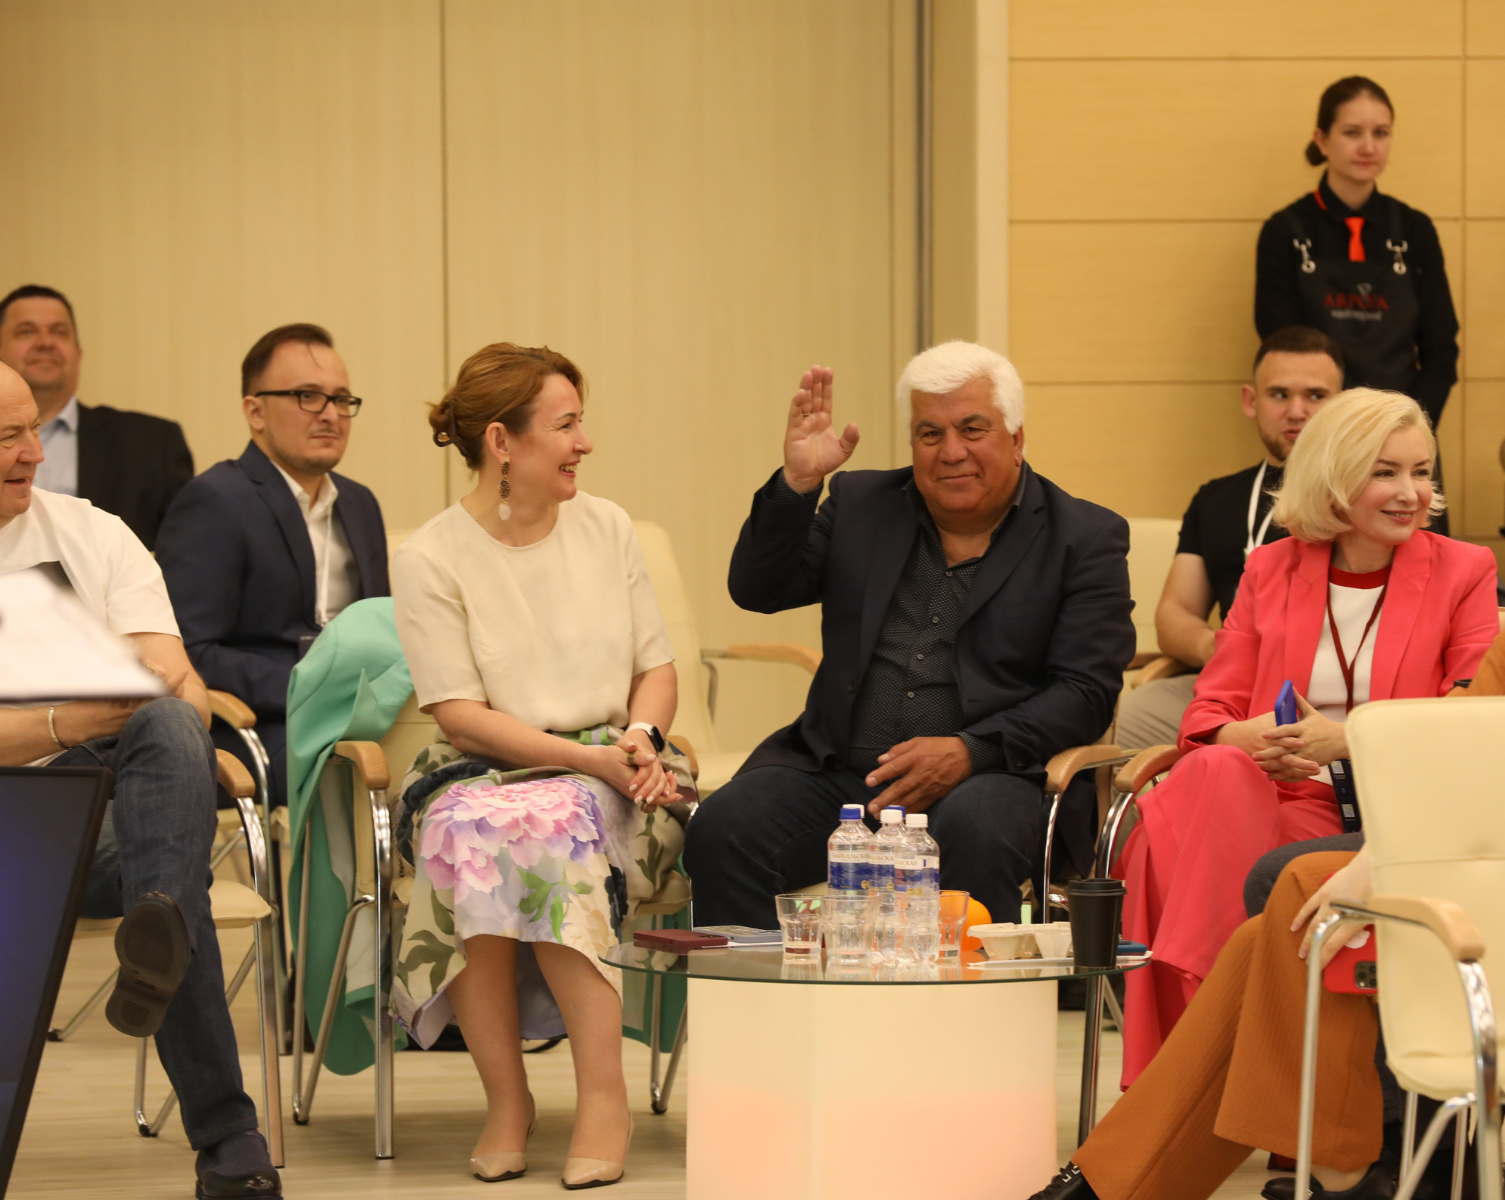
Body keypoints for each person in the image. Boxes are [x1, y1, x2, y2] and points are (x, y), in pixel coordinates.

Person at [1028, 409, 1505, 1200]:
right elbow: (1467, 730)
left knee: (1294, 895)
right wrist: (1389, 851)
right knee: (1282, 924)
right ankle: (1179, 1176)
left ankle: (1323, 1164)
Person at [1116, 387, 1498, 1085]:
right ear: (1334, 476)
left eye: (1421, 472)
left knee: (1181, 826)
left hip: (1390, 812)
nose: (1411, 493)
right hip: (1272, 797)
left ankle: (1208, 1037)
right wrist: (1246, 735)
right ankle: (1226, 1030)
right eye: (1386, 472)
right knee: (1215, 773)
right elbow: (1208, 714)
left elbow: (1471, 714)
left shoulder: (1463, 571)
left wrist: (1347, 739)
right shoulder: (1271, 568)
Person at [683, 341, 1134, 929]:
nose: (952, 451)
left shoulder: (1083, 538)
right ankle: (767, 990)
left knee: (974, 830)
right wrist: (798, 484)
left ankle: (953, 993)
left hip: (993, 775)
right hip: (843, 772)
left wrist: (971, 750)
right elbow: (758, 590)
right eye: (930, 433)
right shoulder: (861, 504)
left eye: (973, 429)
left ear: (1016, 437)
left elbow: (1085, 691)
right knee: (725, 828)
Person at [391, 343, 686, 1188]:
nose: (584, 443)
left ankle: (604, 1100)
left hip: (621, 762)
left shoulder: (608, 526)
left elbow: (656, 668)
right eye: (566, 425)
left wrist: (639, 738)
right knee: (472, 834)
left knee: (552, 828)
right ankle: (507, 1099)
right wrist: (584, 759)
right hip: (482, 764)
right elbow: (461, 716)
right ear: (501, 442)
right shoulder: (430, 556)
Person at [0, 363, 280, 1198]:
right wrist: (72, 720)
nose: (33, 453)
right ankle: (230, 1144)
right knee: (177, 865)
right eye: (7, 438)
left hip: (109, 809)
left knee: (168, 726)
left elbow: (177, 685)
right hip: (17, 814)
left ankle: (157, 917)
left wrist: (146, 699)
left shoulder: (94, 534)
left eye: (33, 430)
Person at [157, 324, 389, 804]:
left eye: (341, 399)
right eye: (308, 396)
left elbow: (379, 629)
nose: (330, 414)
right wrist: (313, 686)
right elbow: (191, 652)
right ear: (255, 411)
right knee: (353, 772)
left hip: (360, 714)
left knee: (446, 757)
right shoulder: (216, 500)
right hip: (260, 722)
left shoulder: (360, 504)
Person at [1115, 327, 1344, 750]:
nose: (1297, 411)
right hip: (1228, 685)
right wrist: (1218, 648)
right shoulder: (1215, 498)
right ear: (1250, 401)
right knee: (1117, 725)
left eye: (1316, 396)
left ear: (1342, 405)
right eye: (1279, 395)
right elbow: (1175, 614)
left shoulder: (1364, 497)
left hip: (1329, 693)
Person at [1254, 78, 1458, 428]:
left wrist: (1408, 428)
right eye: (1352, 133)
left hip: (1402, 433)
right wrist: (1328, 430)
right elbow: (1283, 355)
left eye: (1381, 133)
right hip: (1316, 433)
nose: (1368, 147)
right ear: (1322, 139)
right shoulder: (1284, 232)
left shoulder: (1415, 230)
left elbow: (1441, 351)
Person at [0, 284, 193, 546]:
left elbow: (184, 552)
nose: (46, 343)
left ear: (78, 354)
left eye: (59, 332)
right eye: (27, 331)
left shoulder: (152, 443)